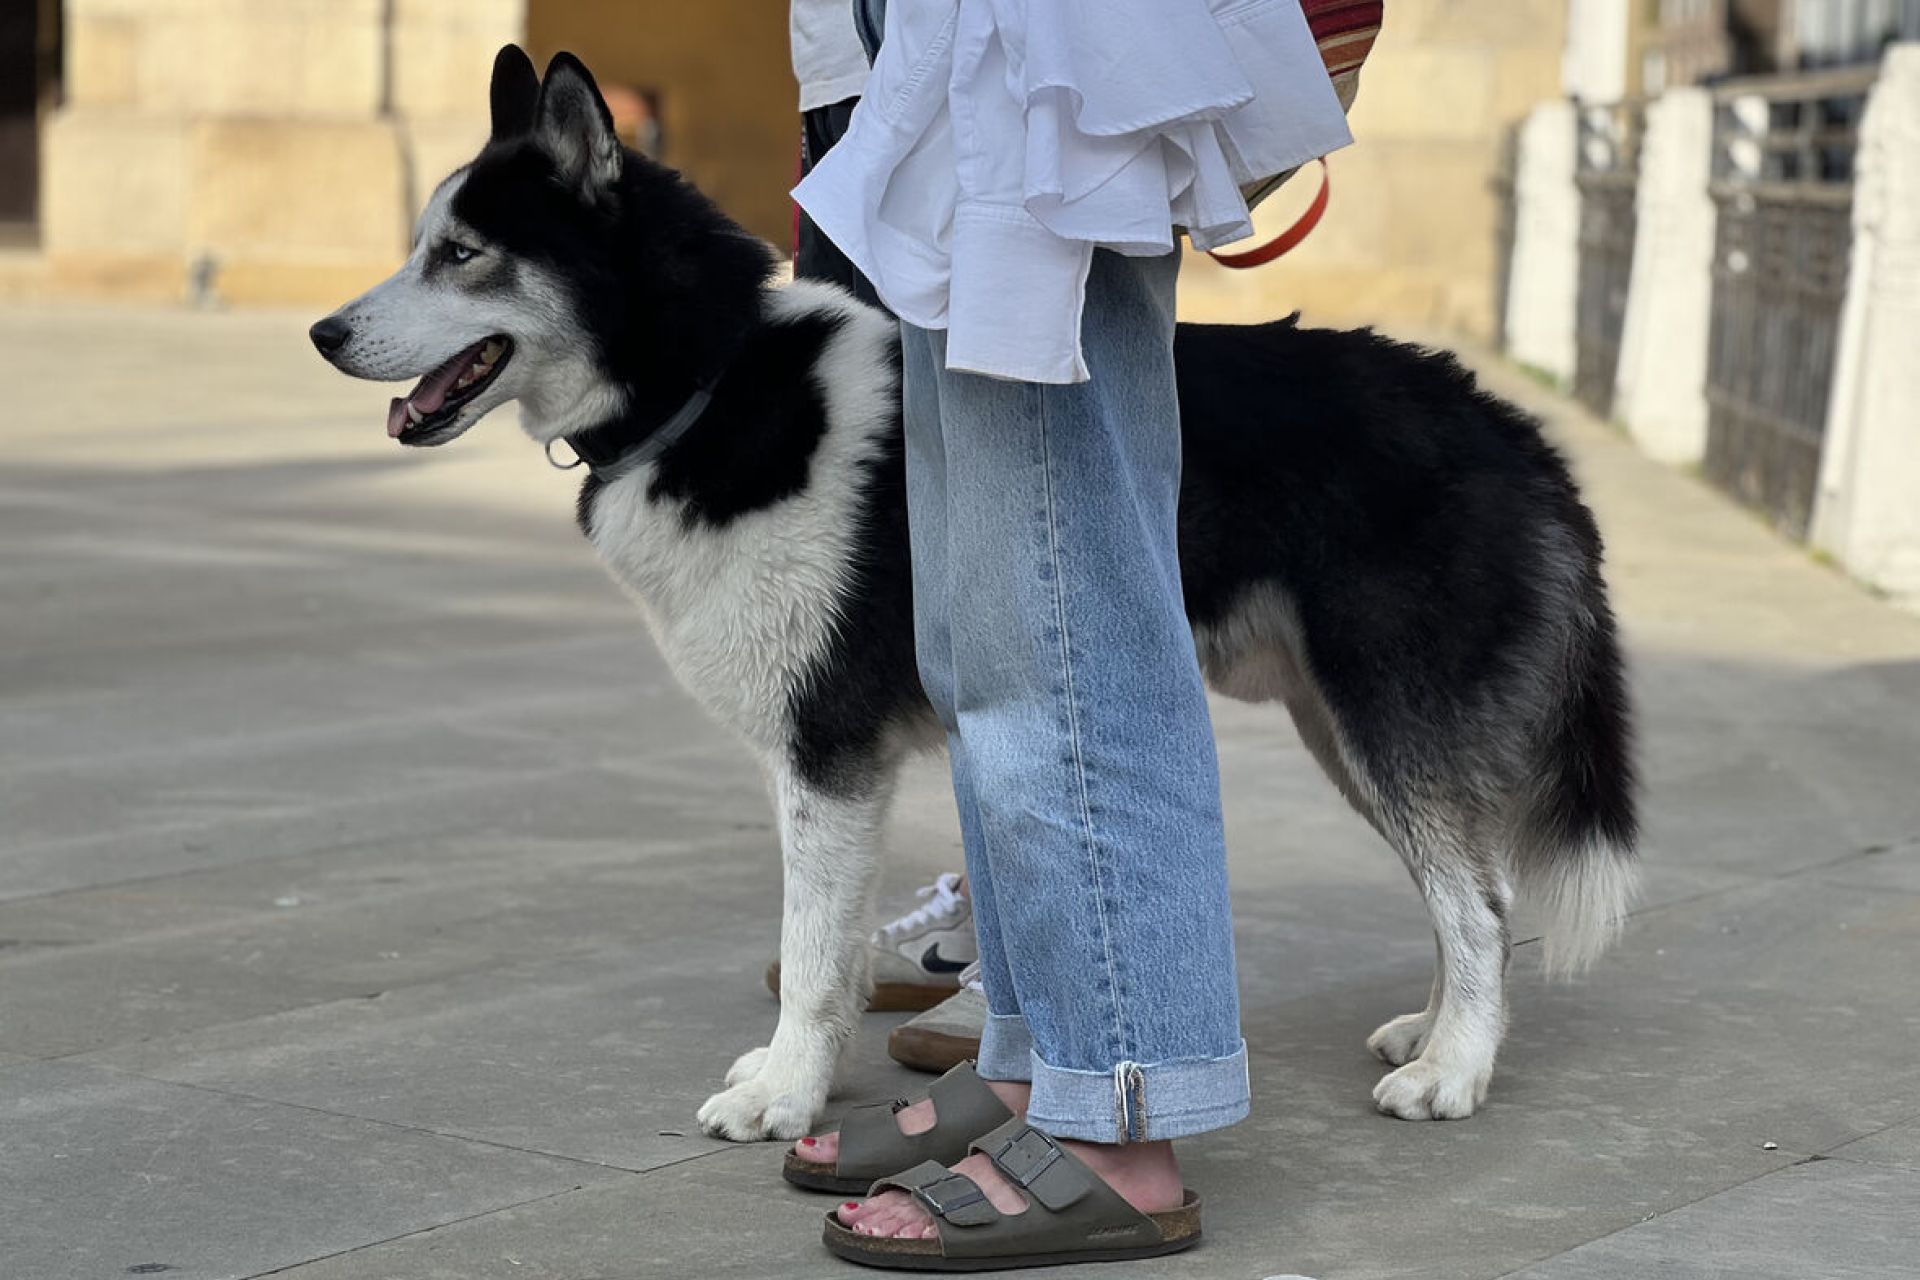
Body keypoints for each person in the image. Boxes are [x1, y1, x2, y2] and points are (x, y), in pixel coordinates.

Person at [789, 0, 1352, 1267]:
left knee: (1062, 613)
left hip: (1049, 44)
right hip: (963, 46)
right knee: (988, 629)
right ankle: (1047, 1066)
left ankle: (1121, 1117)